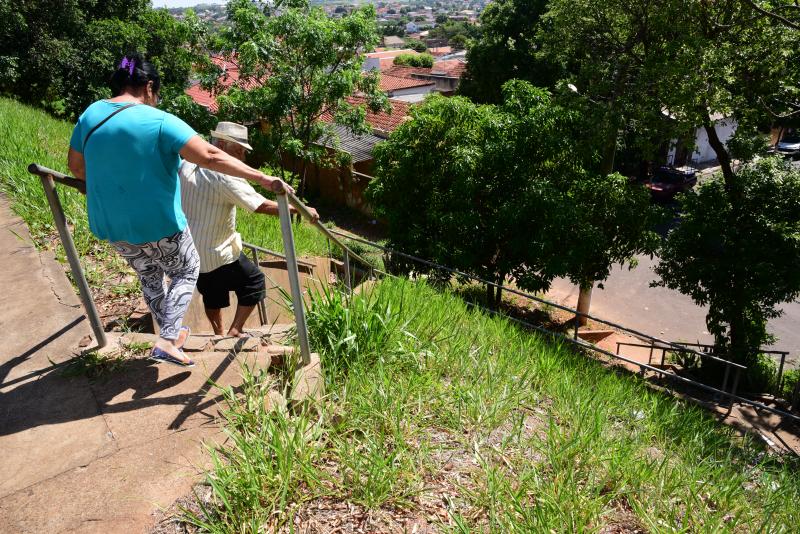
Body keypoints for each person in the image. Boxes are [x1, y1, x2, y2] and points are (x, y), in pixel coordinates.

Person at [67, 53, 291, 367]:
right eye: (155, 94)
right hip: (158, 223)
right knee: (186, 270)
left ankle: (172, 333)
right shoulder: (159, 121)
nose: (155, 100)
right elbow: (210, 156)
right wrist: (262, 178)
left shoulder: (90, 115)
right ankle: (169, 339)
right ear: (148, 88)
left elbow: (77, 167)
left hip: (111, 225)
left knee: (149, 275)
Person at [179, 122, 319, 337]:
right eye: (240, 151)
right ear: (224, 145)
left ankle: (219, 333)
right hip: (219, 251)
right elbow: (260, 205)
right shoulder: (226, 176)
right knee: (254, 283)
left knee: (212, 294)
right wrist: (300, 210)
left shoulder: (188, 163)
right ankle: (235, 330)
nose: (243, 157)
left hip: (191, 249)